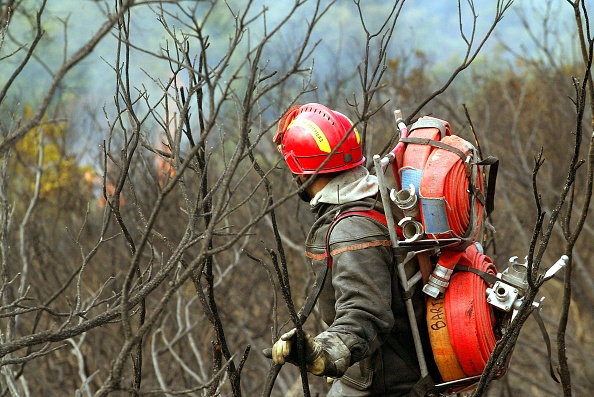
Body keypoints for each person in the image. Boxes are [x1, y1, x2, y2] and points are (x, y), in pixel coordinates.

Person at [269, 103, 437, 396]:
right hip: (401, 369)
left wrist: (326, 352)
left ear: (301, 172)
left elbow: (365, 310)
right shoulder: (379, 197)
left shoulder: (351, 231)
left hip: (385, 385)